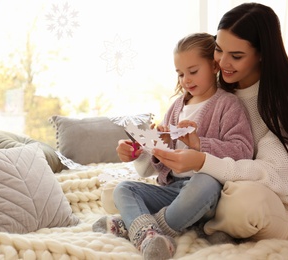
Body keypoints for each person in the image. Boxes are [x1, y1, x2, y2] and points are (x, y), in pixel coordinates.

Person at [151, 2, 288, 243]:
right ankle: (198, 221)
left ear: (262, 54)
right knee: (120, 193)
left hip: (270, 204)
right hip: (212, 191)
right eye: (218, 50)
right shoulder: (215, 92)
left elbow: (275, 176)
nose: (222, 63)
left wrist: (204, 161)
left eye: (236, 56)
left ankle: (189, 220)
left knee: (243, 203)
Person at [93, 32, 254, 259]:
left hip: (207, 193)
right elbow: (157, 165)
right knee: (124, 189)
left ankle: (141, 229)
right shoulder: (176, 107)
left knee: (204, 182)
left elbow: (243, 150)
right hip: (172, 191)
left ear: (214, 66)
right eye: (180, 74)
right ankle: (154, 233)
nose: (186, 80)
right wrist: (143, 149)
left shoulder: (228, 105)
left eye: (193, 71)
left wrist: (199, 143)